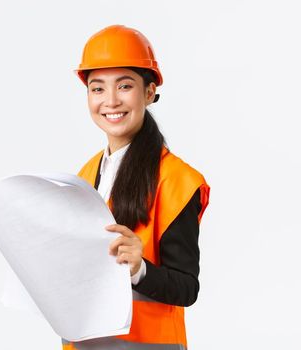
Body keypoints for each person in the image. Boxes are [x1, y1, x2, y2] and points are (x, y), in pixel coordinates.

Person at [62, 25, 210, 350]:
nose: (110, 101)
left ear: (148, 91)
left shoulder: (177, 180)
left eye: (124, 86)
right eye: (97, 89)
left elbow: (187, 288)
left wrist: (140, 269)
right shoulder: (84, 176)